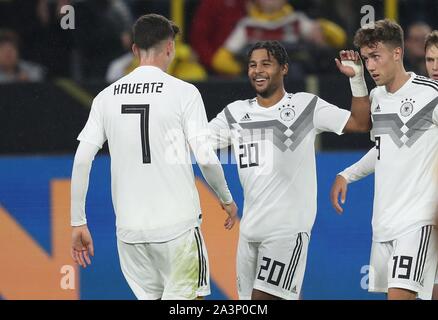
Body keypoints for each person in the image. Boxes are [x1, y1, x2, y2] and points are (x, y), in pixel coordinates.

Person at [70, 14, 238, 300]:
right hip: (178, 231)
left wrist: (77, 221)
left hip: (131, 234)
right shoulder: (184, 93)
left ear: (134, 50)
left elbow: (83, 159)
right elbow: (206, 157)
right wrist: (226, 199)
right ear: (170, 47)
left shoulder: (105, 97)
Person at [208, 40, 370, 300]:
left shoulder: (305, 107)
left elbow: (360, 123)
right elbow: (197, 142)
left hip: (286, 230)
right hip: (249, 231)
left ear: (284, 68)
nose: (257, 71)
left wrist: (357, 80)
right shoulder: (235, 113)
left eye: (265, 64)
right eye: (252, 65)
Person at [330, 20, 438, 300]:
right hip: (383, 222)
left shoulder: (431, 95)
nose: (371, 66)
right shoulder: (377, 97)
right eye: (366, 59)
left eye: (376, 57)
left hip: (418, 220)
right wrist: (347, 174)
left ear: (397, 53)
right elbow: (382, 148)